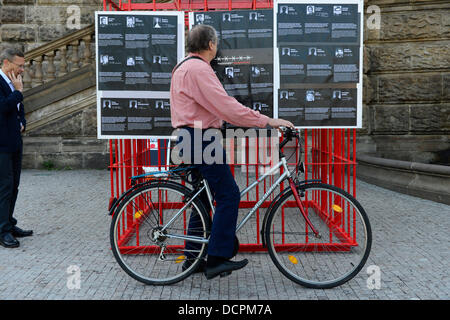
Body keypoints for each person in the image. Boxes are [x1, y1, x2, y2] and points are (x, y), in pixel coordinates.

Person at [170, 25, 294, 280]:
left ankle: (193, 260)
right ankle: (217, 258)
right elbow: (226, 107)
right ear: (211, 45)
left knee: (201, 201)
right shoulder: (199, 69)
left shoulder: (182, 67)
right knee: (229, 195)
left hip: (190, 136)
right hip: (201, 138)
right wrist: (266, 120)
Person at [0, 48, 33, 248]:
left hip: (15, 142)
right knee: (4, 187)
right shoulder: (8, 83)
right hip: (1, 145)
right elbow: (3, 107)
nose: (22, 69)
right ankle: (3, 231)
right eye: (19, 65)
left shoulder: (14, 81)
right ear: (6, 63)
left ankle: (9, 223)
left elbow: (19, 109)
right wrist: (18, 92)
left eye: (23, 65)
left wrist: (22, 122)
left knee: (14, 186)